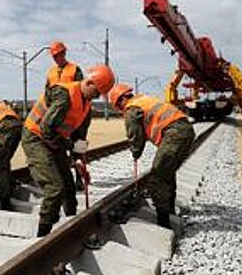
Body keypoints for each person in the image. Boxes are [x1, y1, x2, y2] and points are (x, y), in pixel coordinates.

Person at [22, 65, 115, 236]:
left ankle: (71, 224)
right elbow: (46, 130)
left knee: (69, 186)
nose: (95, 97)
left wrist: (79, 160)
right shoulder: (64, 95)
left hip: (54, 140)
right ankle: (43, 234)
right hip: (36, 137)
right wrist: (71, 146)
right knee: (55, 187)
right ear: (89, 82)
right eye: (96, 92)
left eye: (99, 95)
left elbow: (78, 136)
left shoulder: (86, 105)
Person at [108, 83, 195, 228]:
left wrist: (136, 152)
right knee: (167, 173)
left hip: (174, 134)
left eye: (118, 105)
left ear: (122, 99)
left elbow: (135, 135)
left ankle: (164, 223)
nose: (120, 109)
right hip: (186, 130)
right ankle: (170, 210)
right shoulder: (143, 99)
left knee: (157, 179)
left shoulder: (132, 107)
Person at [46, 41, 86, 190]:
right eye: (54, 56)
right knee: (58, 145)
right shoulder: (50, 73)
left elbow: (83, 92)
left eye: (59, 54)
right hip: (57, 117)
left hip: (75, 116)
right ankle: (63, 179)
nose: (57, 57)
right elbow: (47, 94)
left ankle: (79, 179)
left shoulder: (75, 70)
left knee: (78, 147)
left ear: (64, 53)